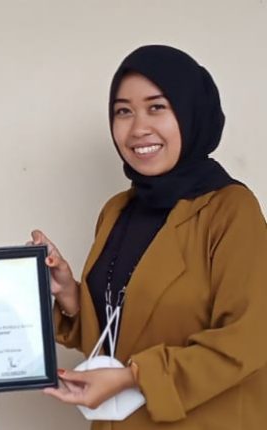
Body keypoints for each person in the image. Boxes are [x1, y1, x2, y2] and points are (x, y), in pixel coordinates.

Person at [32, 45, 267, 429]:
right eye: (123, 111)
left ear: (191, 113)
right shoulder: (118, 210)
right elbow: (124, 327)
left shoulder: (230, 210)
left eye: (157, 107)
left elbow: (248, 339)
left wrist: (133, 377)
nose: (138, 128)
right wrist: (71, 295)